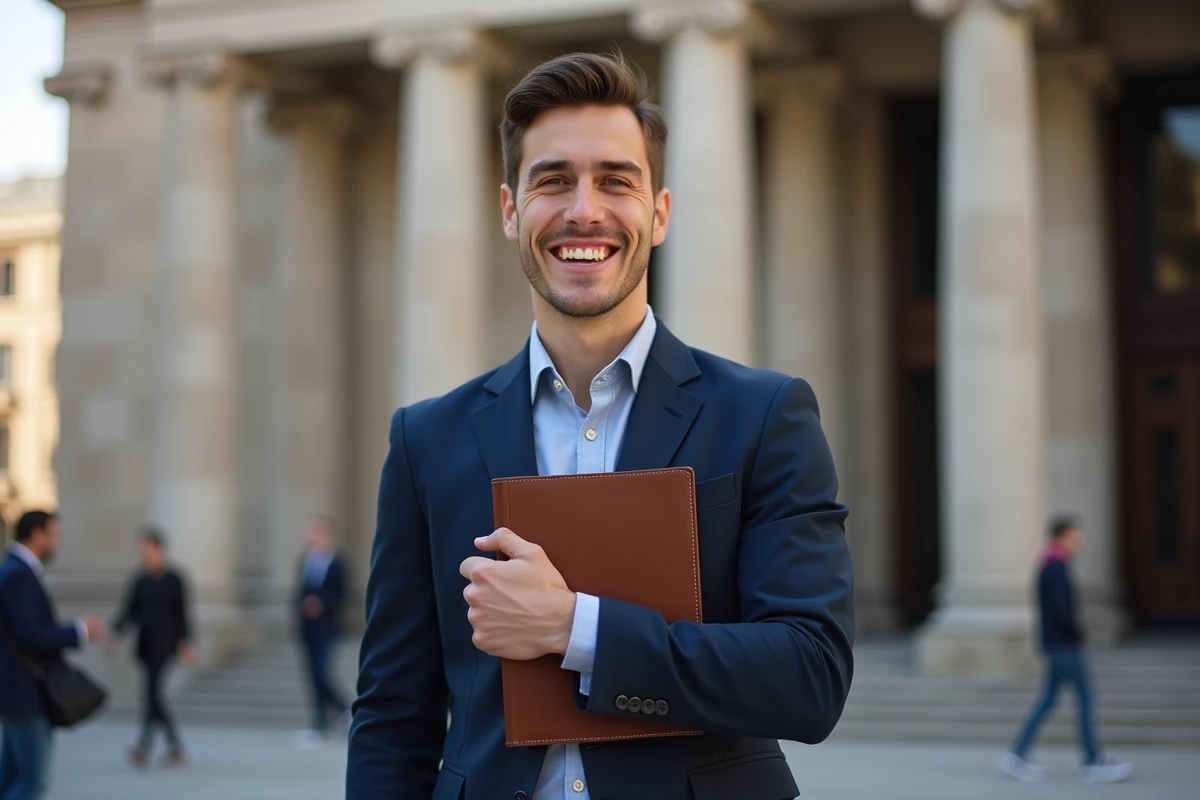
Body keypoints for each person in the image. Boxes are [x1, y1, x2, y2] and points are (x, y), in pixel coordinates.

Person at [347, 52, 854, 800]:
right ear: (511, 210)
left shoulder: (764, 415)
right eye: (552, 180)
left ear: (659, 213)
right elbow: (393, 715)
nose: (584, 209)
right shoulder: (427, 441)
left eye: (616, 180)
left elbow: (810, 677)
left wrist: (574, 628)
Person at [1001, 517, 1133, 784]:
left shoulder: (1050, 564)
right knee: (1085, 698)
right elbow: (1061, 610)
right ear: (1063, 536)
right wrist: (1078, 633)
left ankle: (1018, 753)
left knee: (1049, 700)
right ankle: (1093, 761)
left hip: (1057, 643)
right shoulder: (1055, 567)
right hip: (1064, 645)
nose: (1079, 540)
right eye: (1075, 535)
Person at [0, 510, 105, 799]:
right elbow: (30, 635)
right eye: (54, 535)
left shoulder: (14, 571)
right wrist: (80, 630)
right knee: (32, 780)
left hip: (17, 691)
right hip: (24, 693)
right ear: (37, 534)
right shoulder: (17, 575)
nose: (57, 543)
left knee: (10, 776)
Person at [107, 527, 194, 769]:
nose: (143, 555)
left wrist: (186, 642)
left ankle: (146, 748)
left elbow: (182, 615)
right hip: (146, 646)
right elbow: (130, 611)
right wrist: (115, 633)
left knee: (153, 695)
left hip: (166, 646)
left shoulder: (174, 580)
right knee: (153, 698)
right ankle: (170, 748)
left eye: (146, 550)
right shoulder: (140, 580)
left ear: (159, 550)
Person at [293, 516, 349, 749]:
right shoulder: (306, 559)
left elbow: (342, 593)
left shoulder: (337, 562)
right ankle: (321, 723)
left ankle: (342, 708)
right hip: (307, 626)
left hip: (327, 625)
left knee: (320, 672)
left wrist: (322, 605)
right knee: (311, 675)